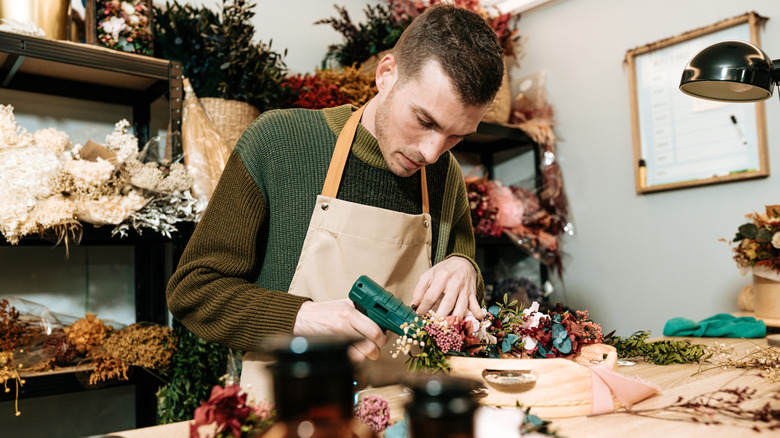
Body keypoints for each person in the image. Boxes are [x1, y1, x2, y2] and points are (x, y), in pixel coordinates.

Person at [166, 4, 505, 400]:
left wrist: (465, 268)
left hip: (402, 414)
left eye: (456, 136)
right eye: (425, 121)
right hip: (291, 416)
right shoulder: (278, 143)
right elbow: (192, 289)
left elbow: (461, 310)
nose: (432, 153)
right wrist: (299, 318)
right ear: (386, 74)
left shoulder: (445, 178)